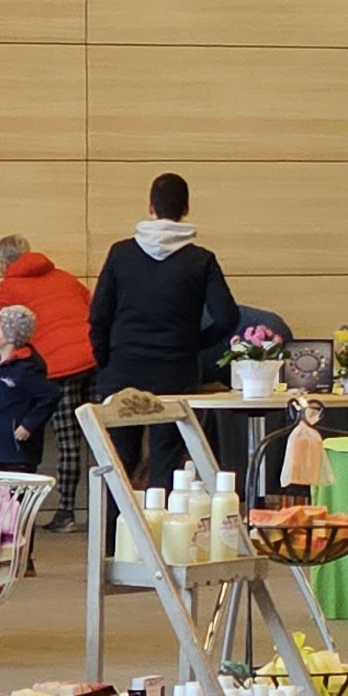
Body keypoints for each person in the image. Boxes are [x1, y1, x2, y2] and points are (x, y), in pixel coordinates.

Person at [85, 175, 240, 489]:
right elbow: (228, 317)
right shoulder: (201, 260)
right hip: (175, 373)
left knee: (118, 465)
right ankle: (158, 536)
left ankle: (115, 535)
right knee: (165, 463)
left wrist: (106, 360)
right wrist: (192, 345)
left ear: (150, 206)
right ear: (186, 209)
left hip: (123, 370)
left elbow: (98, 315)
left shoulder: (120, 254)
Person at [0, 235, 99, 526]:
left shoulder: (10, 285)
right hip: (95, 358)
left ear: (4, 263)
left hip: (60, 366)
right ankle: (106, 512)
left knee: (67, 439)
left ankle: (66, 513)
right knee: (100, 439)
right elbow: (97, 309)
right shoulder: (66, 278)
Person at [0, 304, 60, 474]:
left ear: (9, 336)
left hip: (19, 452)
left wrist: (29, 424)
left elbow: (50, 395)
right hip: (0, 449)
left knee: (16, 497)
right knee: (0, 494)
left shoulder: (25, 368)